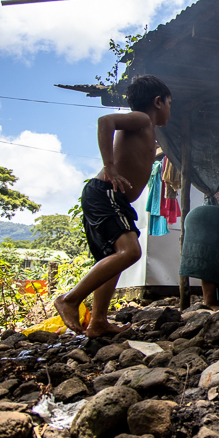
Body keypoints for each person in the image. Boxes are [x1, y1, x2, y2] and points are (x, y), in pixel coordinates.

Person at [55, 75, 172, 337]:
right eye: (169, 103)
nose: (170, 110)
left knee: (111, 260)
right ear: (158, 101)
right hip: (105, 193)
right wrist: (109, 166)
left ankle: (98, 322)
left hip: (110, 198)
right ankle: (70, 299)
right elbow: (105, 121)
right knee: (130, 252)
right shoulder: (142, 119)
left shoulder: (149, 132)